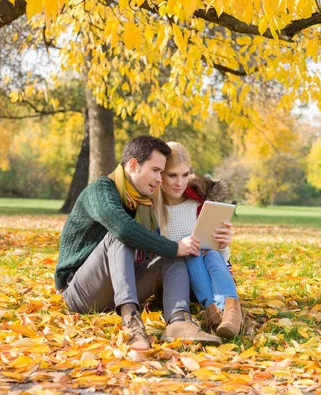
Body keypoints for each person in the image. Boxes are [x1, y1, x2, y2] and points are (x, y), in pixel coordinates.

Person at [54, 135, 221, 351]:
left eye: (162, 172)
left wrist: (206, 242)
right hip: (80, 291)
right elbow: (123, 229)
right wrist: (173, 246)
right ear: (133, 164)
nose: (160, 179)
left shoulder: (141, 201)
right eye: (155, 170)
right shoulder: (101, 191)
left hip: (122, 285)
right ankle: (131, 323)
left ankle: (179, 320)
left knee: (172, 256)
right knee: (121, 235)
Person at [157, 142, 242, 338]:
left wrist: (223, 243)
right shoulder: (152, 208)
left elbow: (219, 255)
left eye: (185, 175)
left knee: (211, 253)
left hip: (211, 278)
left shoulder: (199, 203)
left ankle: (228, 313)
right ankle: (216, 310)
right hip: (175, 283)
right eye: (172, 175)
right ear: (160, 174)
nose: (180, 182)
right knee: (191, 254)